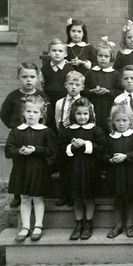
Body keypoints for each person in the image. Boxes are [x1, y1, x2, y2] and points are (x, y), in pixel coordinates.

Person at [5, 95, 56, 242]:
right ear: (23, 113)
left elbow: (52, 151)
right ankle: (25, 226)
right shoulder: (16, 131)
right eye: (28, 111)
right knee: (24, 198)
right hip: (21, 169)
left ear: (41, 114)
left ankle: (38, 225)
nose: (31, 115)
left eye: (35, 112)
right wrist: (19, 151)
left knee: (37, 198)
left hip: (38, 169)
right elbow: (8, 150)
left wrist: (35, 149)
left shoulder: (45, 131)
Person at [1, 62, 49, 208]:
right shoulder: (13, 96)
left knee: (35, 166)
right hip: (19, 135)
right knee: (19, 166)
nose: (28, 80)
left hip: (37, 135)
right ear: (18, 77)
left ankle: (36, 193)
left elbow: (48, 113)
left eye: (32, 77)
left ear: (37, 78)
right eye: (25, 76)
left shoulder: (41, 95)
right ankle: (18, 195)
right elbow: (4, 113)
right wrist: (13, 126)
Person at [59, 98, 106, 240]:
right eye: (79, 114)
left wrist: (86, 144)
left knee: (89, 196)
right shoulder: (67, 131)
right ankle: (79, 224)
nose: (82, 117)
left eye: (85, 114)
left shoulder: (95, 130)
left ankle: (89, 224)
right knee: (78, 197)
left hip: (90, 169)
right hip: (74, 169)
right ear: (73, 114)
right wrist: (72, 146)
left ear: (90, 114)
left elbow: (102, 147)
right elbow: (61, 148)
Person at [105, 105, 133, 238]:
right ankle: (118, 225)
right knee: (118, 200)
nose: (121, 124)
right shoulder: (110, 137)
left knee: (129, 199)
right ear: (112, 122)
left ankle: (129, 225)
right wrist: (110, 159)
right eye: (117, 121)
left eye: (124, 120)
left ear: (130, 121)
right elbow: (104, 155)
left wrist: (126, 156)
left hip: (130, 173)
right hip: (116, 174)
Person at [54, 70, 86, 207]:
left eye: (77, 84)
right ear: (65, 85)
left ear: (82, 87)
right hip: (64, 136)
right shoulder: (60, 103)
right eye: (71, 84)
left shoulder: (87, 103)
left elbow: (91, 121)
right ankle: (64, 195)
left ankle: (75, 196)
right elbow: (57, 120)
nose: (73, 87)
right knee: (64, 167)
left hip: (80, 136)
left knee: (76, 169)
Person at [84, 37, 122, 133]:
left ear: (111, 57)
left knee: (108, 128)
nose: (103, 59)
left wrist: (108, 92)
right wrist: (91, 91)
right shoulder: (90, 73)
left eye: (106, 56)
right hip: (94, 106)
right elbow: (83, 89)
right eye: (100, 56)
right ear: (96, 56)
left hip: (109, 106)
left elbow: (120, 92)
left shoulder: (115, 74)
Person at [41, 38, 74, 130]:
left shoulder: (69, 70)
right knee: (50, 127)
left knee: (63, 127)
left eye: (60, 51)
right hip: (49, 103)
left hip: (64, 104)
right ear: (49, 52)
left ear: (65, 54)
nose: (57, 53)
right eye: (54, 50)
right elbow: (42, 84)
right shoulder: (45, 69)